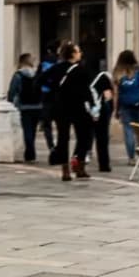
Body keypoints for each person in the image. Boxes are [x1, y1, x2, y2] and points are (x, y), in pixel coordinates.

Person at [46, 41, 92, 182]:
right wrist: (92, 104)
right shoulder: (80, 69)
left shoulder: (56, 68)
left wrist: (53, 93)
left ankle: (65, 170)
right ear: (72, 54)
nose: (80, 53)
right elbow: (86, 90)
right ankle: (79, 165)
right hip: (77, 107)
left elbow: (40, 80)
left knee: (63, 138)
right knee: (85, 136)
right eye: (78, 51)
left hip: (60, 108)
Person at [113, 51, 139, 163]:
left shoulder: (118, 72)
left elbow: (116, 93)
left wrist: (116, 110)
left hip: (125, 105)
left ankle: (131, 158)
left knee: (128, 130)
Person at [7, 53, 44, 163]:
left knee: (27, 130)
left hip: (24, 106)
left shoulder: (18, 75)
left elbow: (12, 90)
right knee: (32, 130)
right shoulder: (37, 73)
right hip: (37, 105)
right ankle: (30, 153)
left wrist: (10, 100)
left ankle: (30, 154)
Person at [87, 55, 117, 173]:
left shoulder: (85, 75)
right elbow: (108, 95)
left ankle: (82, 159)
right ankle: (104, 164)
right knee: (102, 138)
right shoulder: (103, 76)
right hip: (101, 111)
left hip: (87, 109)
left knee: (86, 135)